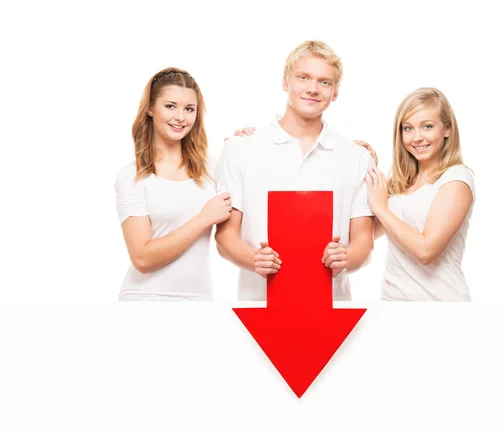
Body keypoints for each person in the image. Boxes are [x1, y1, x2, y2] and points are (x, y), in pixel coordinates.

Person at [214, 40, 375, 301]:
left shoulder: (356, 157)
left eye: (324, 82)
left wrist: (345, 259)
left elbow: (364, 243)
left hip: (332, 312)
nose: (313, 89)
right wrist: (254, 259)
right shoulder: (241, 149)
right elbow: (225, 236)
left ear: (335, 92)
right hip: (257, 309)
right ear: (285, 82)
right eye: (303, 77)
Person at [114, 67, 232, 301]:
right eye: (170, 106)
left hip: (199, 301)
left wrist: (243, 147)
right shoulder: (133, 177)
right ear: (150, 108)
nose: (181, 117)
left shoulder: (210, 169)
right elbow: (142, 259)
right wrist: (203, 218)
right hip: (146, 299)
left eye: (189, 109)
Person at [364, 87, 475, 301]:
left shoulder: (456, 178)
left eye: (427, 126)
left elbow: (426, 250)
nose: (416, 138)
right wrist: (368, 171)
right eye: (408, 128)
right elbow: (370, 232)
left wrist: (381, 208)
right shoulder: (400, 181)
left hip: (438, 305)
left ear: (447, 129)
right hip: (392, 303)